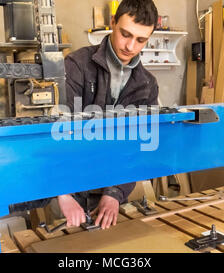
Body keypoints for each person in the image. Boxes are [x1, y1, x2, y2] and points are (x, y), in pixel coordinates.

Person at [57, 0, 160, 230]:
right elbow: (56, 134)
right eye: (125, 34)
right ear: (113, 22)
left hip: (112, 188)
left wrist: (115, 193)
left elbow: (139, 147)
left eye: (141, 40)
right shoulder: (76, 66)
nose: (130, 46)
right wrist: (62, 193)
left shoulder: (147, 85)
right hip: (68, 186)